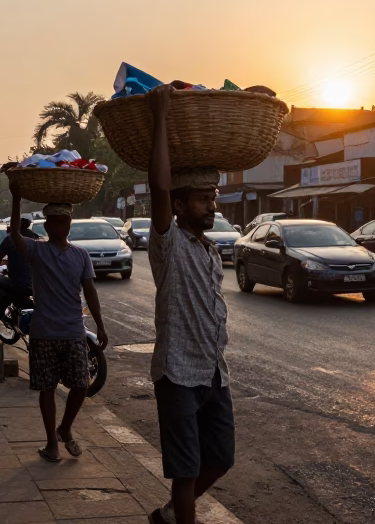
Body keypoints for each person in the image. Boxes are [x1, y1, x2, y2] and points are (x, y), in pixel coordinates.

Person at [145, 82, 234, 524]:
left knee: (221, 458)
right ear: (178, 205)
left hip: (214, 373)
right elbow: (158, 188)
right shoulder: (170, 244)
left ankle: (166, 515)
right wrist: (161, 116)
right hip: (178, 374)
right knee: (186, 471)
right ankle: (179, 514)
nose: (211, 206)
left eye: (213, 198)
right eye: (202, 199)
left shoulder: (209, 250)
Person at [6, 188, 108, 464]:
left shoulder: (80, 255)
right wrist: (17, 198)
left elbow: (90, 292)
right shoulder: (37, 251)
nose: (61, 226)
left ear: (69, 224)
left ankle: (65, 428)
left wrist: (100, 324)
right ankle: (52, 441)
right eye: (56, 221)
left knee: (81, 385)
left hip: (74, 330)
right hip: (44, 332)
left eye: (65, 221)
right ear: (47, 225)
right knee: (47, 388)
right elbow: (15, 234)